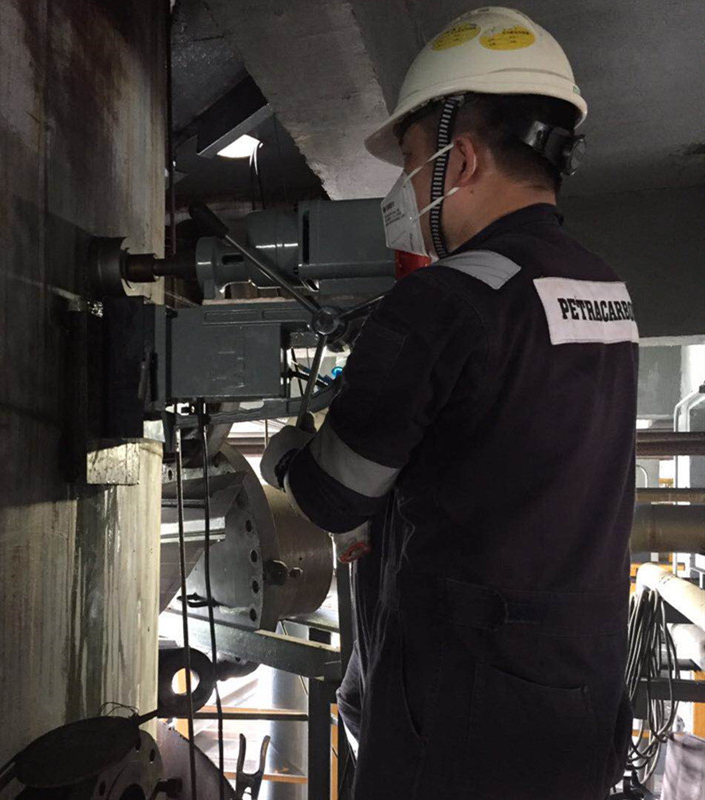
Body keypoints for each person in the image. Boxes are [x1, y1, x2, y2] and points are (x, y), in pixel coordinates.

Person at [261, 7, 636, 799]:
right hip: (580, 688)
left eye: (409, 161)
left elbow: (334, 497)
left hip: (466, 704)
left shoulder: (446, 299)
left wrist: (286, 454)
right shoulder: (605, 290)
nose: (403, 187)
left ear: (459, 160)